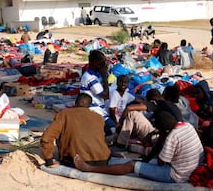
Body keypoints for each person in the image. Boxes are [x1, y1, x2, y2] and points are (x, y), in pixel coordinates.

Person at [74, 110, 204, 183]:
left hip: (177, 176)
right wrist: (146, 160)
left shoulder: (172, 136)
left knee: (131, 165)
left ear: (163, 130)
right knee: (143, 160)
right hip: (192, 169)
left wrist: (143, 162)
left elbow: (161, 162)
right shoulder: (187, 126)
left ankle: (89, 168)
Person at [40, 93, 111, 168]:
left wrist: (49, 160)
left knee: (60, 134)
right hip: (102, 160)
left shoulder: (64, 114)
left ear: (75, 103)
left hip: (75, 161)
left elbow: (46, 138)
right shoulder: (99, 117)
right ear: (89, 106)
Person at [80, 50, 115, 135]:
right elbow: (105, 95)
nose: (104, 65)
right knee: (113, 130)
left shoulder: (92, 75)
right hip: (94, 110)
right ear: (96, 63)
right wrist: (104, 76)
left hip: (99, 109)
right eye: (102, 62)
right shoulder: (90, 78)